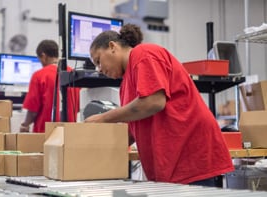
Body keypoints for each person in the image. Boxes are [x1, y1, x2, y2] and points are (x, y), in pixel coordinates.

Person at [85, 24, 234, 186]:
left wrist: (102, 118)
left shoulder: (144, 54)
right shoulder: (125, 84)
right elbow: (134, 127)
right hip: (169, 163)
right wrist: (94, 149)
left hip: (190, 157)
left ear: (112, 47)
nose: (99, 69)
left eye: (98, 61)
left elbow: (153, 102)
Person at [20, 40, 80, 133]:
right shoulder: (73, 74)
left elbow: (33, 110)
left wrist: (25, 125)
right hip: (70, 133)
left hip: (45, 133)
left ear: (43, 56)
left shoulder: (39, 75)